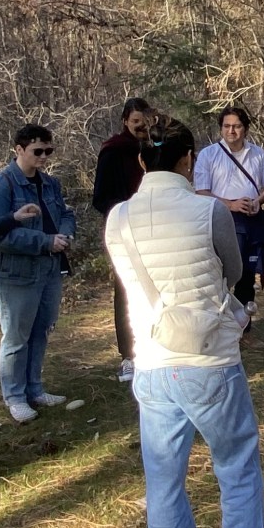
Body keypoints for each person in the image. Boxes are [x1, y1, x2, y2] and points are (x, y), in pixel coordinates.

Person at [106, 121, 264, 528]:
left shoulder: (118, 219)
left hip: (151, 360)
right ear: (189, 159)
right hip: (208, 358)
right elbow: (231, 271)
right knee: (235, 467)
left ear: (143, 161)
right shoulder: (207, 209)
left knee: (163, 479)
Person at [0, 122, 76, 424]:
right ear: (19, 150)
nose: (44, 157)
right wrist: (45, 242)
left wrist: (65, 235)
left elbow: (65, 213)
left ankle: (35, 388)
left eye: (48, 150)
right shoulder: (1, 185)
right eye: (38, 151)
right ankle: (15, 397)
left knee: (41, 330)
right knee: (16, 336)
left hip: (49, 269)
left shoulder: (50, 184)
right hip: (16, 274)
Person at [193, 105, 264, 313]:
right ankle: (218, 321)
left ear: (245, 129)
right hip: (219, 221)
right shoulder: (208, 155)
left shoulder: (257, 154)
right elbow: (201, 191)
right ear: (221, 129)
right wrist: (230, 205)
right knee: (220, 274)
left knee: (247, 275)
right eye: (227, 126)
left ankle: (243, 325)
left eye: (237, 126)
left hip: (251, 220)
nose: (231, 131)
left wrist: (258, 201)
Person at [92, 98, 154, 382]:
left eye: (145, 122)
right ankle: (128, 355)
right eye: (136, 122)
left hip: (154, 228)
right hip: (125, 229)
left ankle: (155, 345)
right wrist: (126, 213)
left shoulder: (155, 149)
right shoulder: (113, 152)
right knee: (127, 290)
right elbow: (101, 198)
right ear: (125, 121)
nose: (141, 128)